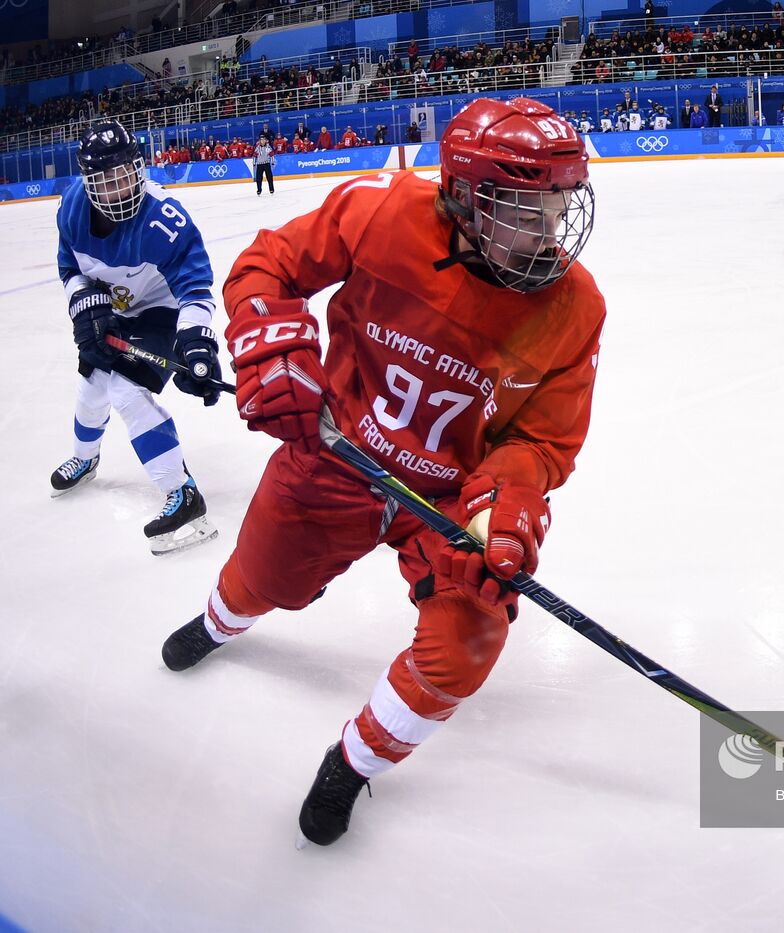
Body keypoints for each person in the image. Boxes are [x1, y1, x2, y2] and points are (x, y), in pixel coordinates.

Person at [158, 97, 605, 847]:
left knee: (466, 642)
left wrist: (505, 504)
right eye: (526, 212)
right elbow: (270, 263)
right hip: (336, 450)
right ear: (464, 197)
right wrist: (272, 338)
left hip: (445, 499)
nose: (550, 236)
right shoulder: (380, 212)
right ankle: (218, 620)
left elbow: (544, 439)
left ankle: (354, 761)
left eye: (558, 211)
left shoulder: (575, 307)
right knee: (263, 578)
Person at [52, 120, 223, 554]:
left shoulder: (165, 220)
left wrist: (196, 340)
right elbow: (70, 269)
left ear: (139, 168)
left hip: (158, 310)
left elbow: (195, 288)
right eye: (105, 181)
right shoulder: (71, 210)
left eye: (125, 175)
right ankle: (86, 458)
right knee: (91, 383)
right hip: (110, 309)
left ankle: (183, 492)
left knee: (126, 390)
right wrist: (84, 303)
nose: (119, 189)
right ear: (87, 183)